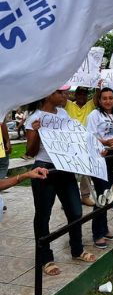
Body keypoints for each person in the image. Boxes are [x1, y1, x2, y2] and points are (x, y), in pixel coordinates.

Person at [25, 87, 97, 275]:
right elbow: (30, 152)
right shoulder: (34, 118)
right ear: (49, 94)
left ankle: (77, 248)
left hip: (65, 168)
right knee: (43, 214)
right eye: (61, 93)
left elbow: (73, 139)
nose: (66, 96)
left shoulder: (64, 114)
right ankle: (45, 258)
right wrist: (37, 132)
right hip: (43, 169)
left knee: (75, 211)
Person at [86, 87, 113, 249]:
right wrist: (104, 143)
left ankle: (104, 229)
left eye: (111, 98)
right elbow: (89, 136)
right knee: (101, 196)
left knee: (109, 195)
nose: (108, 101)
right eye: (104, 98)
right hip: (100, 159)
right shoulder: (94, 116)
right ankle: (97, 233)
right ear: (99, 100)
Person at [65, 86, 99, 206]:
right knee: (69, 174)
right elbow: (61, 96)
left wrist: (98, 84)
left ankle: (85, 196)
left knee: (86, 172)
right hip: (70, 145)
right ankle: (69, 200)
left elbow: (97, 96)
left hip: (86, 145)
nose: (81, 96)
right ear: (75, 94)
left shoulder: (90, 105)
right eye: (79, 94)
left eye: (84, 94)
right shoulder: (68, 105)